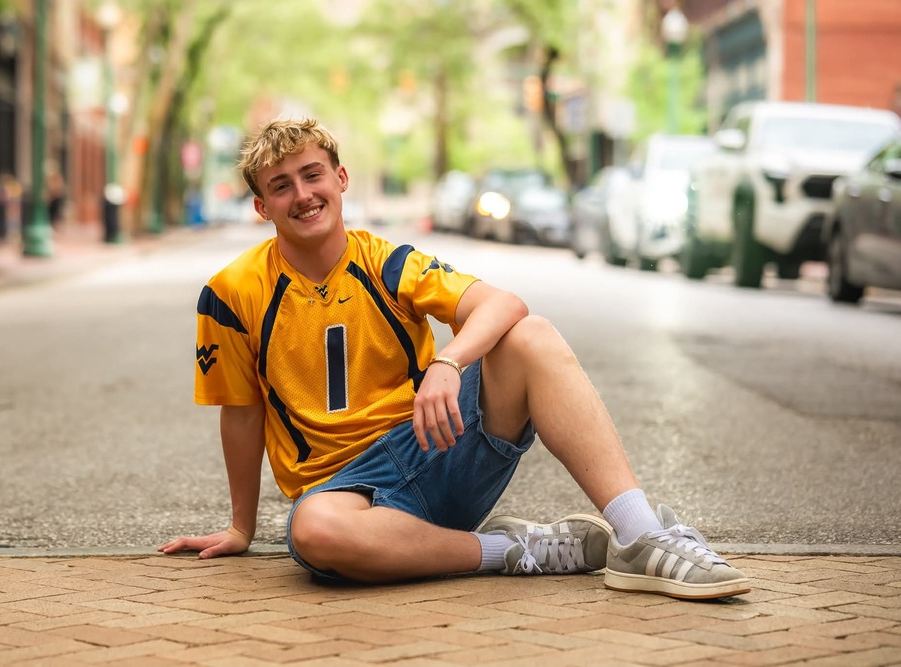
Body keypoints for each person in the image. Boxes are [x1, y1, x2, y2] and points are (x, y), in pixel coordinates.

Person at [159, 118, 749, 600]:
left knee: (530, 336)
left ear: (340, 180)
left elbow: (502, 303)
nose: (302, 194)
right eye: (280, 185)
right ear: (262, 207)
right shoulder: (233, 292)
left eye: (312, 175)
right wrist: (241, 527)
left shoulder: (387, 263)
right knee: (312, 532)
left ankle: (641, 535)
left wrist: (450, 363)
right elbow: (240, 411)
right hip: (341, 494)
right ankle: (514, 551)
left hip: (435, 445)